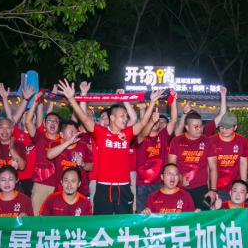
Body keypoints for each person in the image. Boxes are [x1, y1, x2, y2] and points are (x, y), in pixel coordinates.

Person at [58, 80, 164, 215]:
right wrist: (71, 98)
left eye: (126, 116)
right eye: (122, 116)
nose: (125, 119)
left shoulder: (127, 134)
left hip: (124, 187)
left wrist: (153, 102)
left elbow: (142, 123)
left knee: (124, 222)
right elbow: (84, 119)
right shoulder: (100, 132)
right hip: (103, 186)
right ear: (112, 118)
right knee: (102, 222)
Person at [133, 94, 178, 212]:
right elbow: (143, 133)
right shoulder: (141, 137)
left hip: (159, 183)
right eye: (152, 121)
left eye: (157, 121)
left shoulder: (163, 135)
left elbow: (173, 120)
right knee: (143, 215)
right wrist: (151, 121)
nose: (155, 122)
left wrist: (173, 101)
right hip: (142, 184)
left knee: (158, 214)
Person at [168, 111, 218, 210]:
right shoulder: (177, 141)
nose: (200, 129)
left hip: (201, 188)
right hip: (180, 188)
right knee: (182, 217)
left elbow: (213, 167)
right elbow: (171, 165)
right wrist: (180, 178)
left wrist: (213, 190)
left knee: (202, 217)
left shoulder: (207, 141)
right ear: (187, 127)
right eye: (196, 127)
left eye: (201, 126)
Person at [24, 90, 62, 215]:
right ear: (44, 124)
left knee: (56, 217)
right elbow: (28, 122)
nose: (53, 124)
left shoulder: (63, 141)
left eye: (56, 121)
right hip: (41, 184)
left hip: (60, 185)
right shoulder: (39, 137)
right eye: (49, 121)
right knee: (36, 215)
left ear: (59, 126)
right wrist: (35, 100)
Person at [46, 120, 93, 197]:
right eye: (71, 132)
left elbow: (92, 166)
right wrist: (69, 142)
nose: (74, 135)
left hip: (81, 191)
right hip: (61, 190)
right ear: (61, 134)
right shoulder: (55, 144)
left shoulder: (83, 146)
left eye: (76, 132)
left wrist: (83, 164)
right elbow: (49, 155)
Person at [208, 113, 248, 201]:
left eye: (228, 128)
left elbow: (243, 163)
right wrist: (211, 189)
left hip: (235, 188)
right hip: (216, 187)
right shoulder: (211, 141)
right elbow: (209, 167)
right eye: (222, 127)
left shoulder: (242, 141)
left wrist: (244, 186)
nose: (224, 130)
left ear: (235, 127)